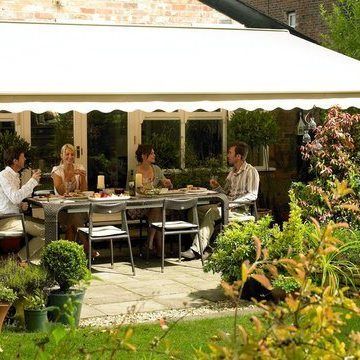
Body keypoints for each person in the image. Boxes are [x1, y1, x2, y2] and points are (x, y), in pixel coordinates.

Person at [181, 142, 260, 260]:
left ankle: (196, 249)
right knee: (195, 210)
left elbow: (253, 195)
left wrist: (232, 204)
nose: (227, 156)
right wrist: (217, 187)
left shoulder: (251, 171)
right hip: (226, 206)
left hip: (240, 209)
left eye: (230, 153)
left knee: (212, 212)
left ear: (238, 156)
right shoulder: (232, 173)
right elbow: (225, 194)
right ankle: (206, 247)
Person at [0, 146, 44, 262]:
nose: (24, 159)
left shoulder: (15, 176)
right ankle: (19, 260)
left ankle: (27, 263)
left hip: (14, 217)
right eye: (22, 157)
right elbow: (14, 198)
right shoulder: (4, 175)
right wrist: (32, 181)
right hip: (6, 220)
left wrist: (20, 206)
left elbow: (9, 200)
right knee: (46, 230)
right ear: (15, 161)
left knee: (48, 226)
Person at [129, 144, 172, 256]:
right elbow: (129, 190)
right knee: (158, 211)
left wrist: (168, 183)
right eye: (151, 153)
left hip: (154, 205)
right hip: (137, 207)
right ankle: (158, 248)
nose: (154, 155)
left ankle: (150, 243)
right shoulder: (134, 171)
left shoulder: (156, 169)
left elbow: (166, 185)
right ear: (143, 156)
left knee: (157, 209)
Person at [51, 144, 88, 242]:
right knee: (72, 220)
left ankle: (70, 253)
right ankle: (87, 245)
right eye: (67, 154)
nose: (70, 157)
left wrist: (83, 177)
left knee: (73, 218)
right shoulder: (57, 170)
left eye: (72, 154)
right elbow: (61, 191)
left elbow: (84, 191)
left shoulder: (79, 167)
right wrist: (69, 176)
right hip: (61, 209)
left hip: (78, 207)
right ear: (61, 156)